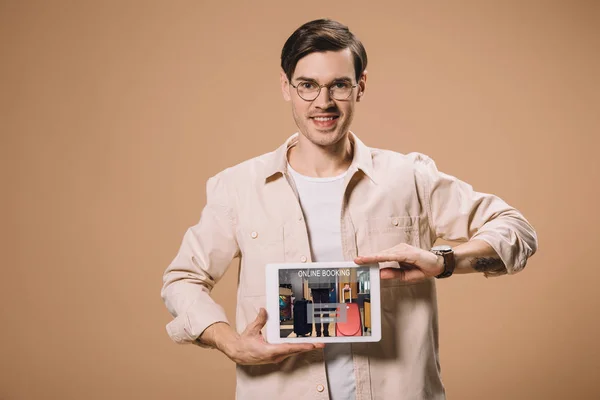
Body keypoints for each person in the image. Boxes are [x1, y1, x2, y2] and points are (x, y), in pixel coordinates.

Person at [161, 19, 538, 400]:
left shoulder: (409, 177)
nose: (322, 103)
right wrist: (230, 342)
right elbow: (182, 280)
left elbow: (517, 231)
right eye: (307, 85)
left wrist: (445, 261)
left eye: (338, 85)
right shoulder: (239, 187)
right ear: (285, 86)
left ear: (360, 86)